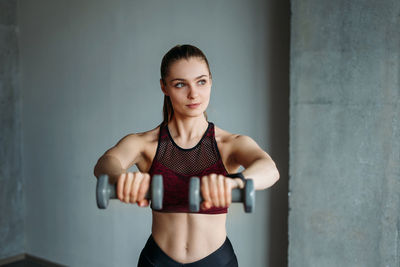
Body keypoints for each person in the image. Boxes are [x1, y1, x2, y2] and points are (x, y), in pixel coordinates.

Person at [93, 44, 280, 267]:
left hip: (217, 261)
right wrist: (121, 178)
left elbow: (269, 168)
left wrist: (236, 183)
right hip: (159, 261)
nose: (193, 94)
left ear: (210, 81)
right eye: (180, 84)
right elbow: (106, 163)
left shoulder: (230, 144)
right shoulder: (145, 144)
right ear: (164, 87)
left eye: (201, 81)